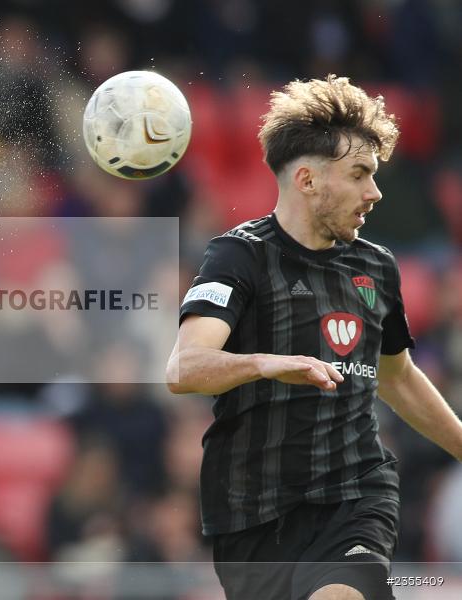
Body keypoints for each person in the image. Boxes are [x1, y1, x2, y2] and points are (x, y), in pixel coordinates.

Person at [166, 75, 462, 600]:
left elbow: (398, 378)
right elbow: (185, 369)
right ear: (307, 180)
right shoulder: (239, 256)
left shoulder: (376, 268)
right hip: (251, 514)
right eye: (360, 174)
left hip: (354, 494)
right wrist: (264, 363)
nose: (375, 192)